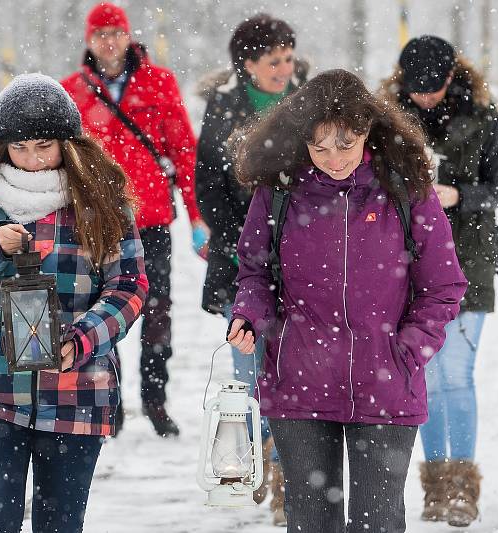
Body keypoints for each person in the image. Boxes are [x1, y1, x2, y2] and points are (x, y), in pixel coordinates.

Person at [226, 69, 468, 533]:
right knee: (312, 522)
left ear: (367, 133)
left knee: (377, 523)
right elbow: (254, 273)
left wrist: (407, 351)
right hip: (299, 380)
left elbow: (444, 286)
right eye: (319, 147)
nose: (333, 158)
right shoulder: (278, 192)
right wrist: (249, 317)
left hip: (386, 385)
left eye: (345, 143)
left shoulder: (406, 189)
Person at [0, 73, 147, 532]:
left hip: (77, 391)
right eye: (19, 147)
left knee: (61, 526)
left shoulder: (100, 202)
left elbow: (129, 287)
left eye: (44, 145)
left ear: (67, 143)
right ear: (2, 146)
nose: (32, 159)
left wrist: (82, 339)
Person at [381, 35, 498, 527]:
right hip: (410, 260)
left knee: (456, 375)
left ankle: (464, 487)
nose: (425, 98)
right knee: (428, 377)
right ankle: (435, 486)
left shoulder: (482, 113)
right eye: (417, 90)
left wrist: (459, 194)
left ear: (452, 78)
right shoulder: (388, 116)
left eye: (433, 89)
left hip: (471, 257)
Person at [61, 2, 207, 438]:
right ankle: (113, 403)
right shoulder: (74, 91)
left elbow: (184, 151)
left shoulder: (158, 83)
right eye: (100, 34)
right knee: (101, 310)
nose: (109, 41)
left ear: (128, 37)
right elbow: (64, 160)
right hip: (98, 222)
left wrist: (197, 216)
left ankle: (156, 400)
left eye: (116, 33)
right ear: (89, 41)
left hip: (151, 218)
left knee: (157, 308)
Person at [195, 13, 307, 527]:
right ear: (247, 65)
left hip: (307, 258)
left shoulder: (309, 104)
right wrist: (249, 239)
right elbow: (209, 187)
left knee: (296, 372)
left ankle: (289, 476)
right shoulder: (224, 110)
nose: (284, 69)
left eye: (288, 58)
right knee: (251, 371)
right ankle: (262, 453)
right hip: (243, 262)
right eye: (273, 62)